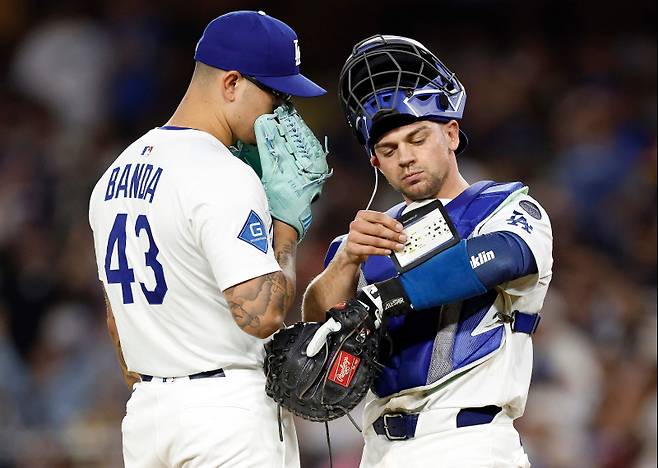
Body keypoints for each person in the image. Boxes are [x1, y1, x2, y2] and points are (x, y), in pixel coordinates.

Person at [88, 11, 326, 468]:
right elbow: (262, 314)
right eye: (276, 94)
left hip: (147, 418)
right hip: (225, 418)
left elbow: (119, 332)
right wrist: (288, 228)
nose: (283, 112)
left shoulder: (115, 173)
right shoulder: (223, 174)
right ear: (232, 83)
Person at [302, 35, 553, 467]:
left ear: (452, 134)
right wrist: (344, 260)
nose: (406, 157)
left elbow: (507, 256)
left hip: (468, 442)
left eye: (418, 139)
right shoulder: (366, 240)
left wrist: (385, 295)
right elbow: (317, 325)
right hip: (378, 449)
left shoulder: (506, 208)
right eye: (389, 149)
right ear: (375, 162)